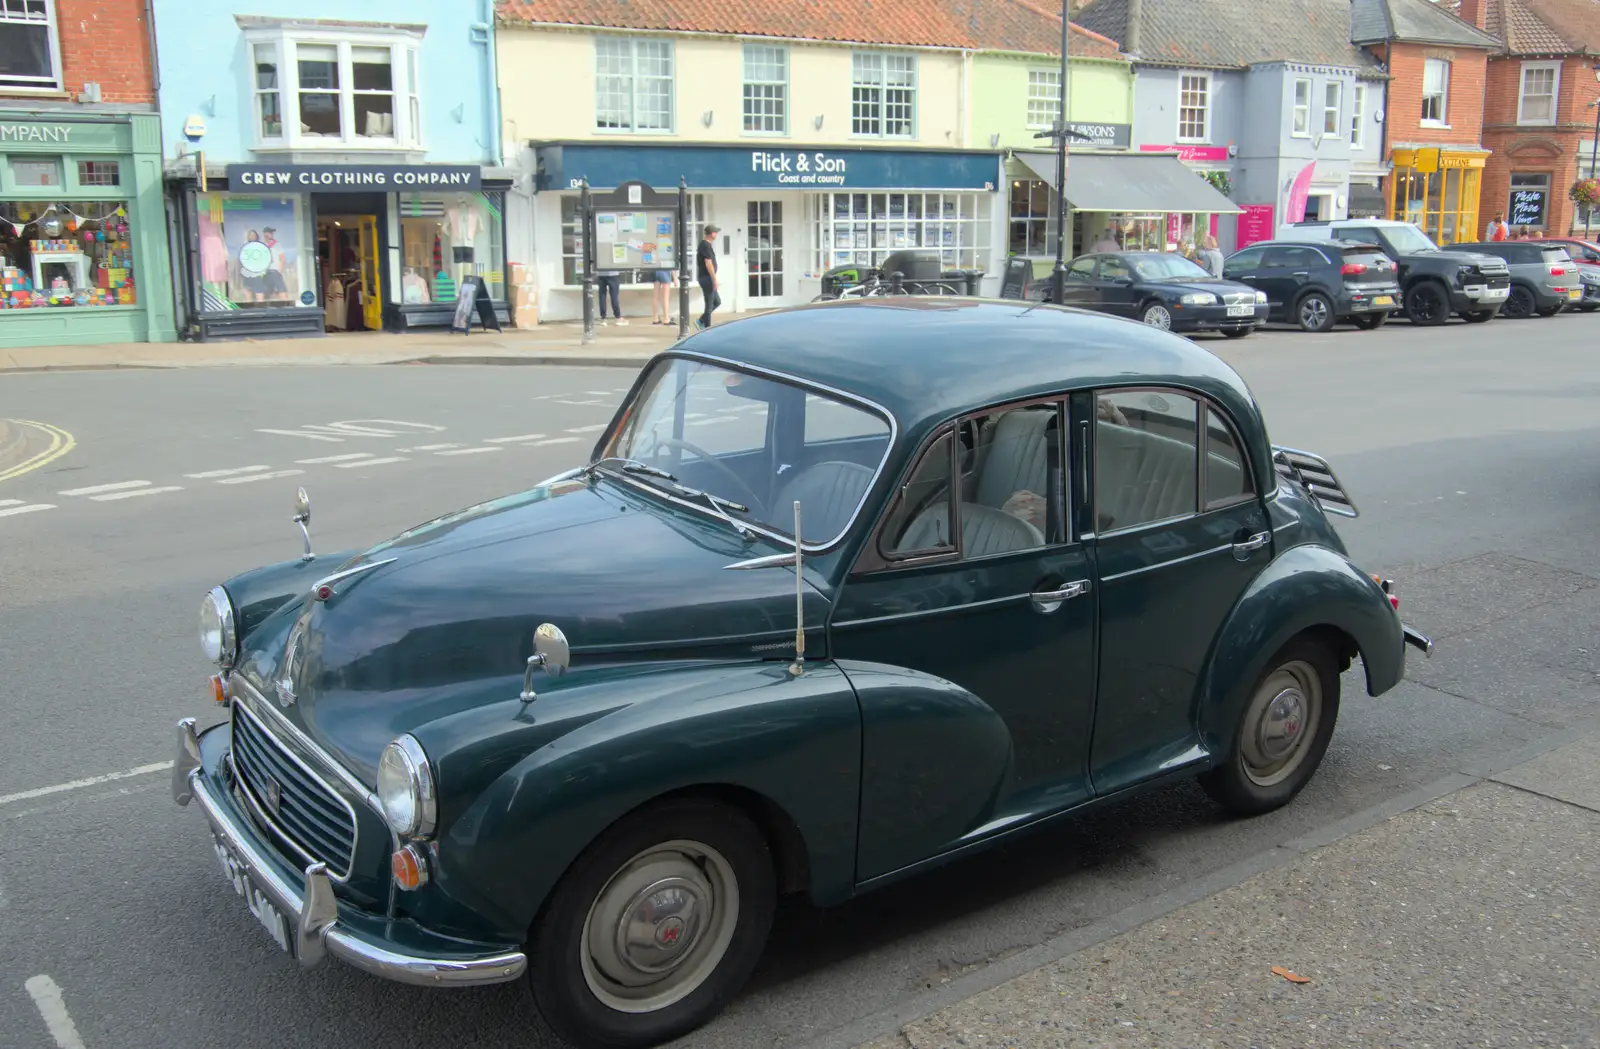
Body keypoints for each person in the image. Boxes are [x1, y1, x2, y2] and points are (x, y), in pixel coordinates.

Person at [695, 224, 721, 330]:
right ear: (712, 233)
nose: (717, 234)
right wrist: (714, 279)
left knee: (717, 302)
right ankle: (707, 328)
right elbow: (708, 263)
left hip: (707, 278)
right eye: (716, 232)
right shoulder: (705, 245)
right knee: (709, 304)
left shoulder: (706, 245)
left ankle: (701, 320)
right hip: (707, 278)